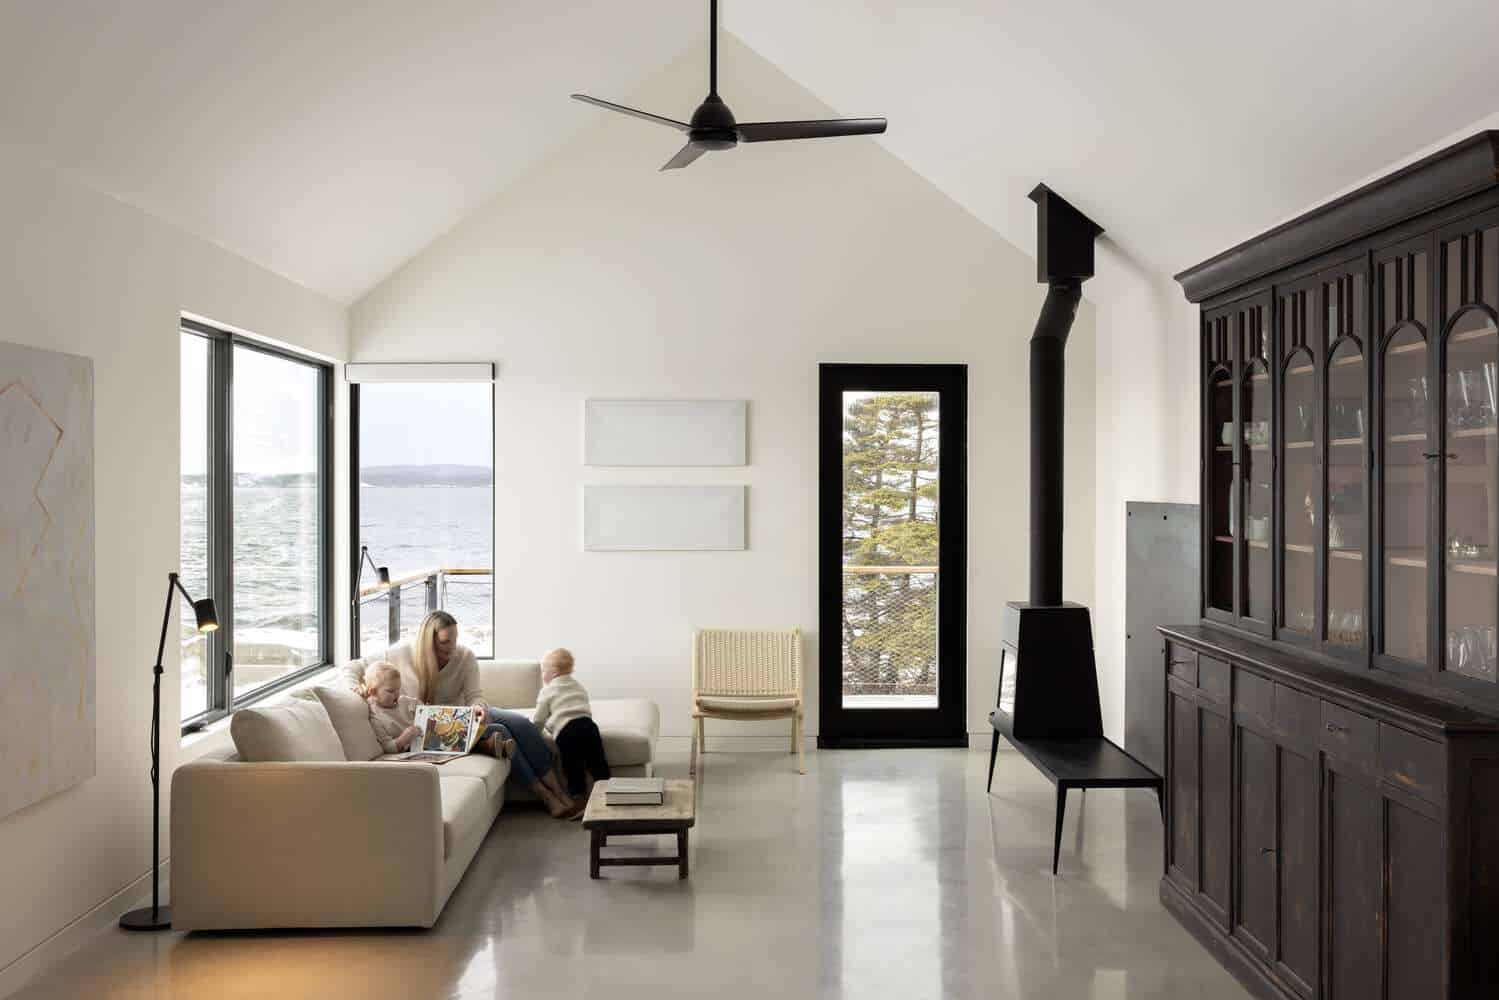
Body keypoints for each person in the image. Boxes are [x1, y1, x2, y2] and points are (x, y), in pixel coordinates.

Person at [362, 610, 580, 818]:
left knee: (521, 724)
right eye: (445, 642)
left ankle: (561, 792)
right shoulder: (402, 654)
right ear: (429, 641)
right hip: (435, 727)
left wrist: (479, 709)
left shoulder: (464, 656)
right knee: (502, 732)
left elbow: (475, 695)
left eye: (455, 639)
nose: (452, 647)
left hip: (466, 715)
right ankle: (546, 796)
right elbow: (355, 667)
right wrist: (361, 688)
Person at [534, 648, 611, 801]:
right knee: (597, 760)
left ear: (553, 672)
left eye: (544, 671)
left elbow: (539, 718)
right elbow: (584, 705)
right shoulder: (578, 686)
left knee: (572, 764)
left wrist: (535, 732)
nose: (543, 675)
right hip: (589, 726)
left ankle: (578, 794)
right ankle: (606, 789)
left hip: (566, 730)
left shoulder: (547, 690)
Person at [357, 661, 422, 754]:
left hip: (421, 740)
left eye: (398, 689)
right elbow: (388, 747)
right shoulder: (376, 717)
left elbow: (419, 705)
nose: (397, 694)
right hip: (407, 750)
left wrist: (426, 710)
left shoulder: (403, 701)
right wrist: (404, 739)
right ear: (373, 692)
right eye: (391, 691)